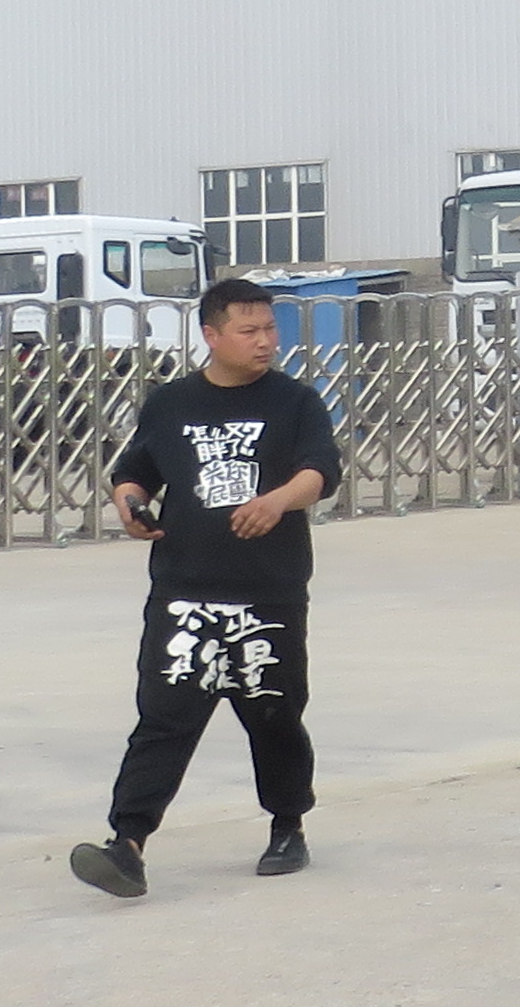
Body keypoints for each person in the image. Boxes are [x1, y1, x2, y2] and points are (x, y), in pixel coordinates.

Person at [72, 277, 342, 899]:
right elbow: (133, 471)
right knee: (163, 719)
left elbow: (320, 471)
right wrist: (130, 504)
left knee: (274, 716)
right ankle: (127, 845)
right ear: (212, 336)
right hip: (184, 591)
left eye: (270, 329)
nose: (265, 341)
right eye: (249, 331)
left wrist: (276, 502)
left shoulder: (295, 402)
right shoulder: (171, 403)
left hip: (267, 591)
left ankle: (288, 825)